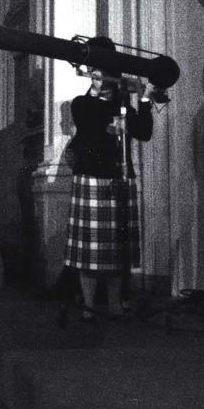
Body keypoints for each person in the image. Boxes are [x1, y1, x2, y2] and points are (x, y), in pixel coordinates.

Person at [64, 38, 152, 321]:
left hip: (119, 177)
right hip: (91, 177)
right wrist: (101, 89)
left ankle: (115, 304)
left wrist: (144, 98)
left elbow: (144, 132)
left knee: (116, 250)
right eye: (95, 71)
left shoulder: (123, 104)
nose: (97, 74)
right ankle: (90, 305)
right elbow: (88, 119)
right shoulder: (82, 103)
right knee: (87, 253)